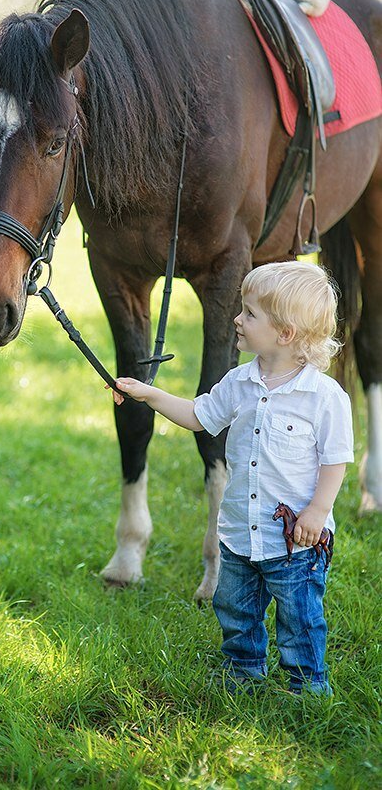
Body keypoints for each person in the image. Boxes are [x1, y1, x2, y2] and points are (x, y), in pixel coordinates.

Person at [113, 261, 353, 695]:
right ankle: (243, 671)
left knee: (299, 616)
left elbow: (336, 460)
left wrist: (318, 512)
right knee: (235, 609)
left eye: (249, 314)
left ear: (285, 334)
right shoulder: (238, 382)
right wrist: (147, 393)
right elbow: (198, 416)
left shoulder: (324, 398)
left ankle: (307, 685)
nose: (236, 319)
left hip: (295, 538)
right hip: (241, 530)